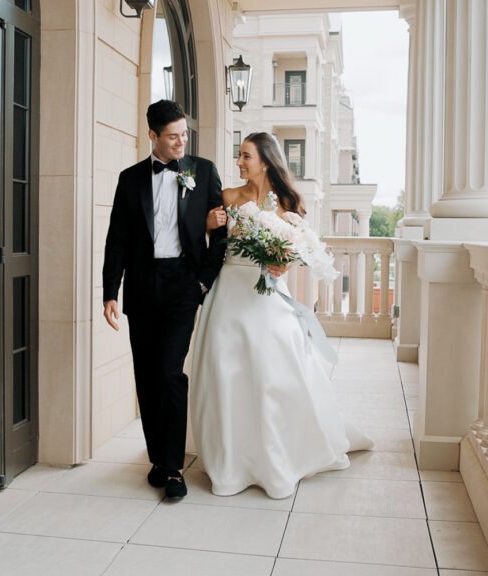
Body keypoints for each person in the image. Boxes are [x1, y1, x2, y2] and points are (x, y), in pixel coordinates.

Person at [190, 132, 373, 500]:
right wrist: (207, 227)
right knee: (227, 370)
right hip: (230, 292)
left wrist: (281, 265)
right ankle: (231, 456)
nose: (239, 163)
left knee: (276, 368)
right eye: (239, 156)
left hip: (268, 295)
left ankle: (279, 451)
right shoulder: (228, 197)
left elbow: (298, 248)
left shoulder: (288, 202)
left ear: (266, 161)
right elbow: (210, 247)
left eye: (246, 156)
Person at [102, 100, 226, 499]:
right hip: (141, 287)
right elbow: (116, 239)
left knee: (171, 372)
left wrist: (203, 281)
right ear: (152, 136)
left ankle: (173, 469)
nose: (180, 141)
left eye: (184, 134)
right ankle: (158, 458)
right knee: (147, 374)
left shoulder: (202, 171)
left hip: (183, 284)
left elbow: (221, 232)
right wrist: (109, 292)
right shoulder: (130, 179)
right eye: (172, 136)